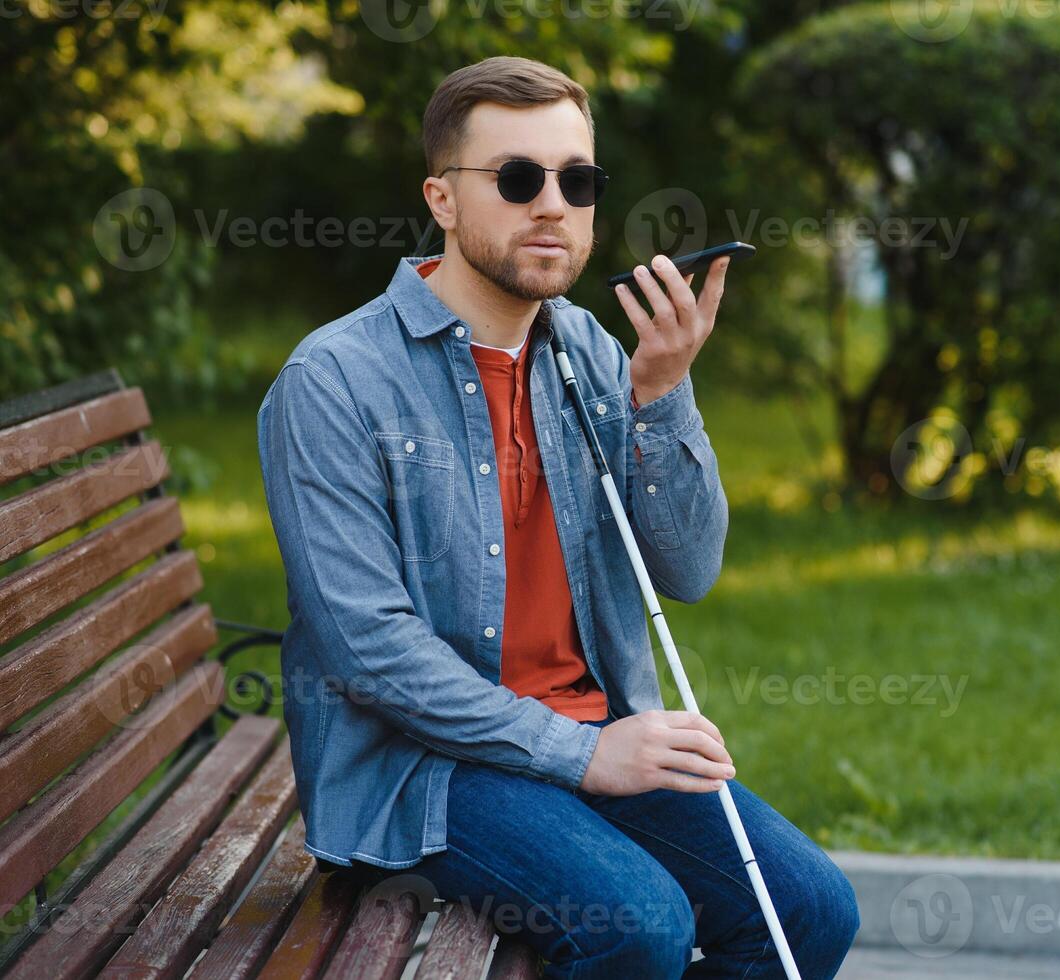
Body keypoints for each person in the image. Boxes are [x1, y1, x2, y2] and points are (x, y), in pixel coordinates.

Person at [256, 54, 859, 979]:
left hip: (594, 734)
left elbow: (688, 570)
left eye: (576, 181)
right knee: (638, 928)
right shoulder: (334, 381)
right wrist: (580, 755)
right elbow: (368, 647)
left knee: (811, 914)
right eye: (516, 178)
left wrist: (664, 394)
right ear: (443, 200)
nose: (552, 205)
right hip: (426, 771)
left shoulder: (586, 348)